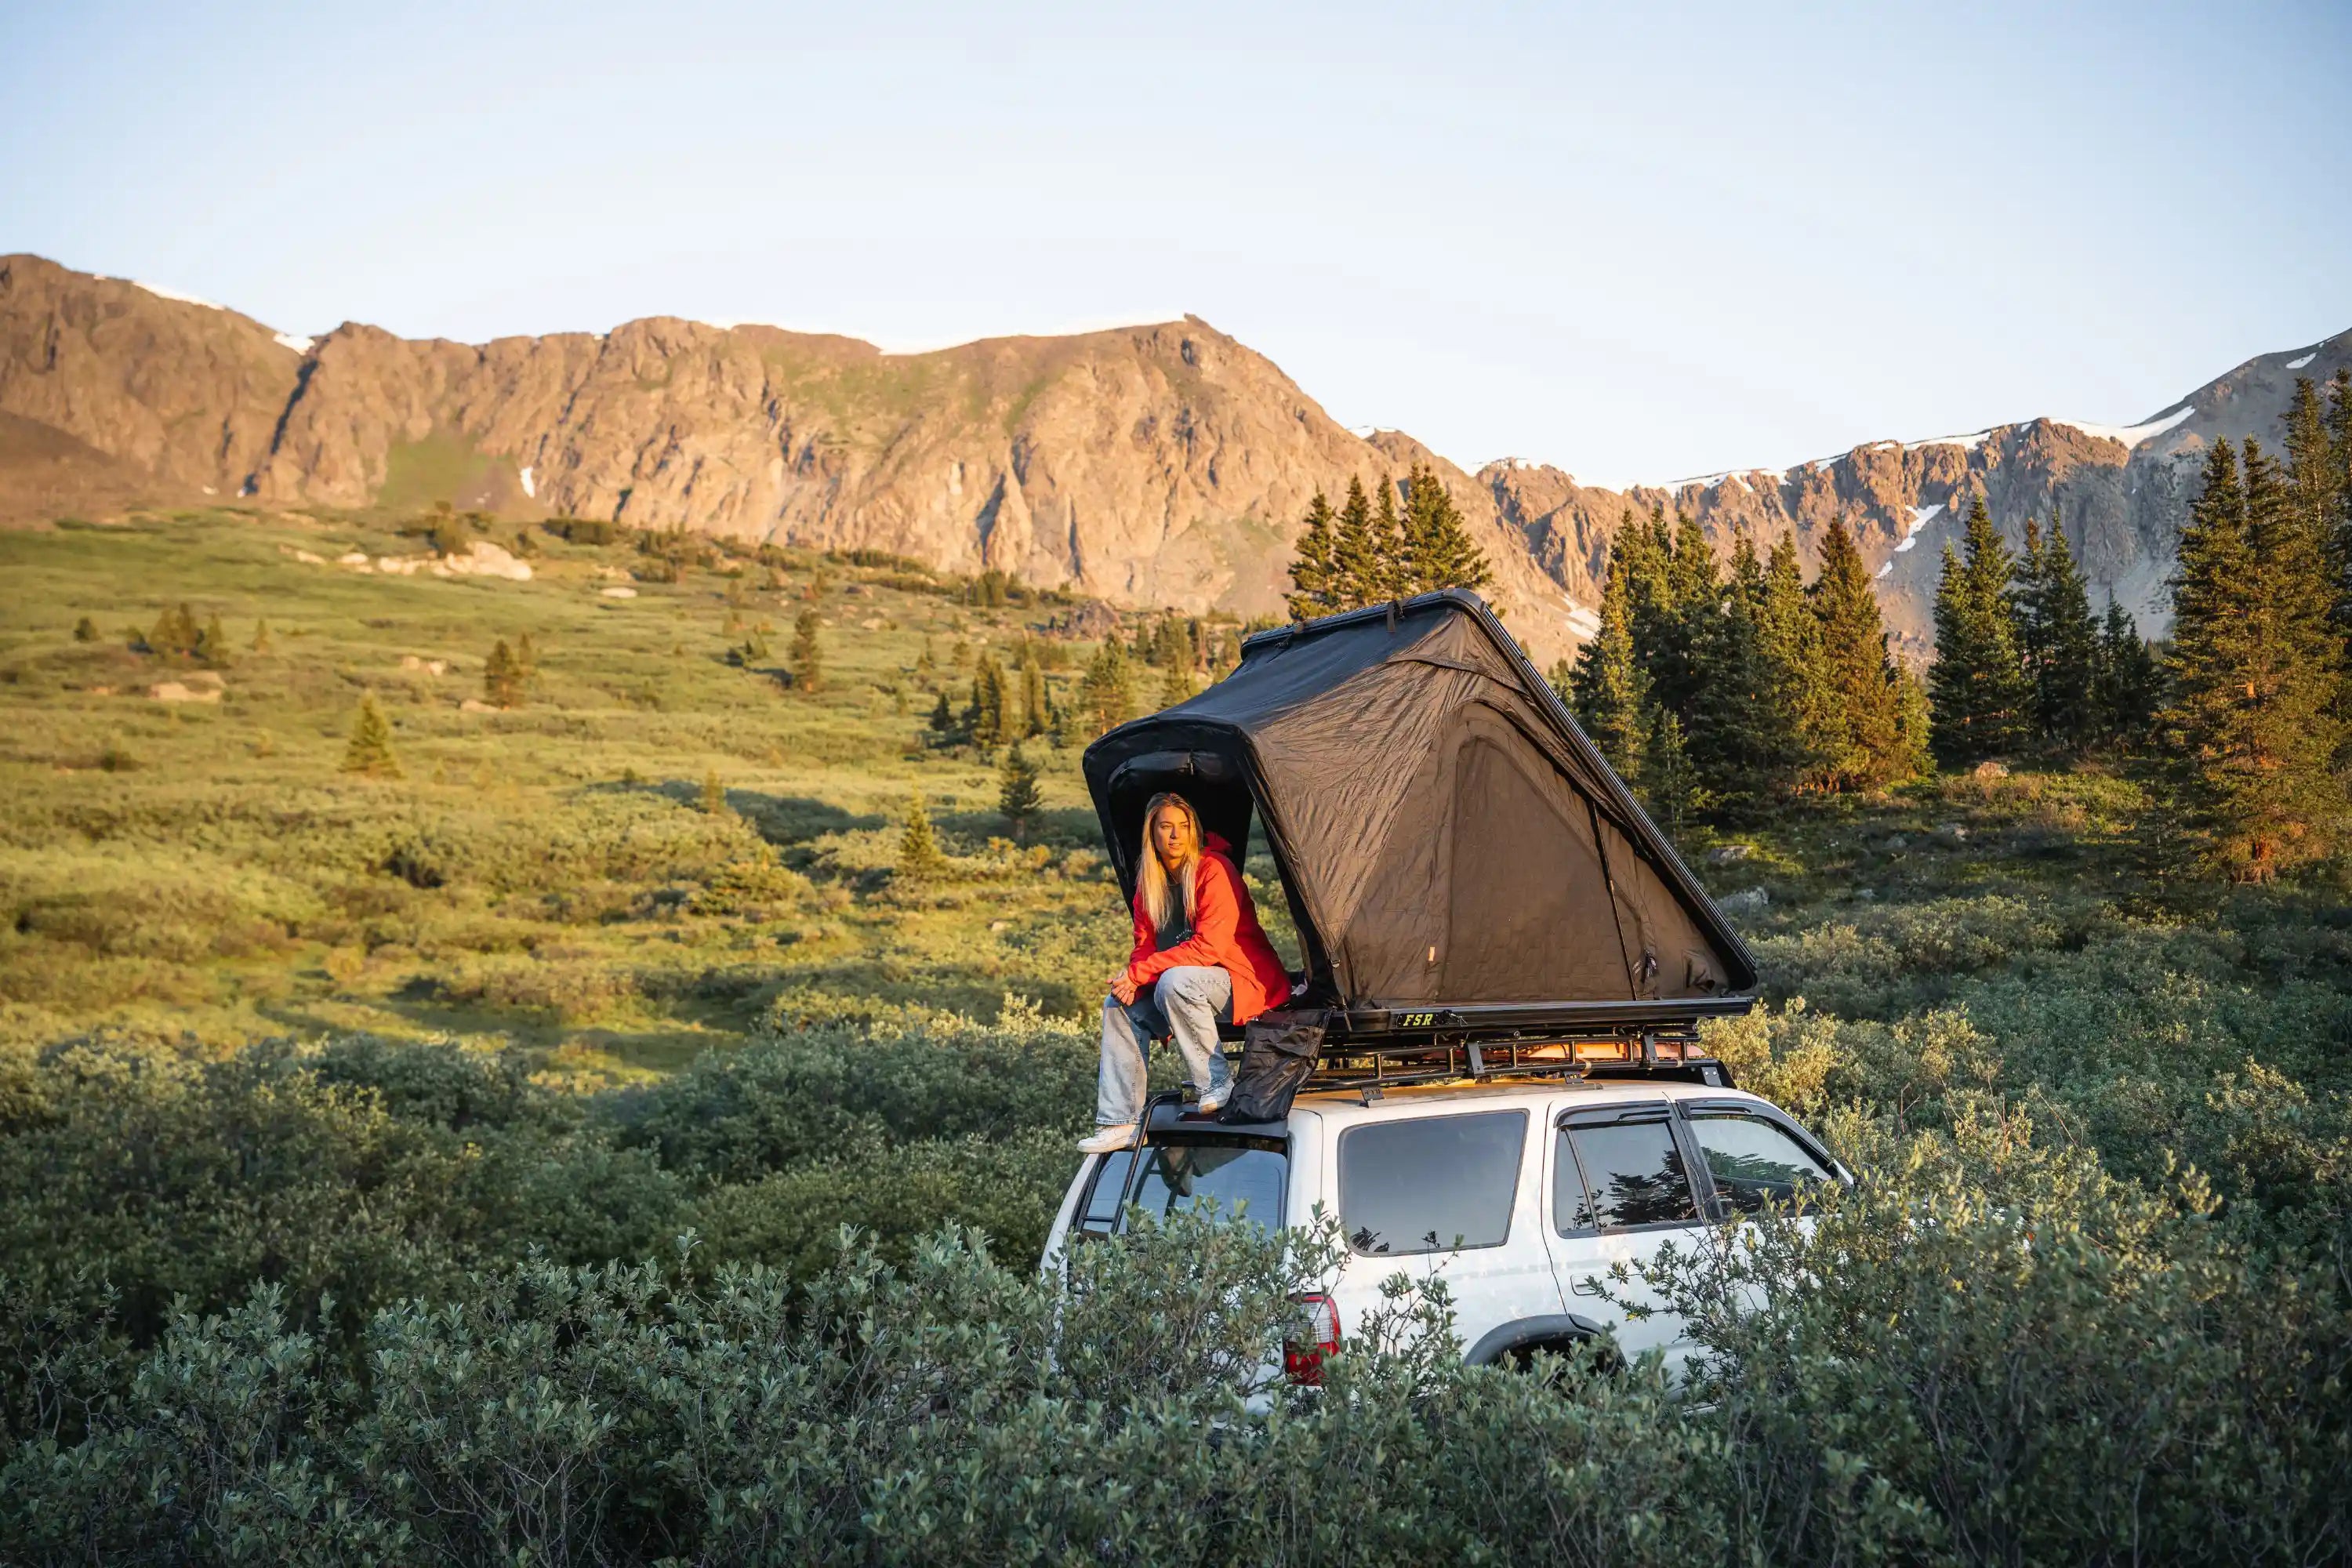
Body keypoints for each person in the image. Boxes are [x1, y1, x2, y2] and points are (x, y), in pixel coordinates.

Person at [1079, 792, 1294, 1152]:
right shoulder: (1150, 883)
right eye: (1166, 827)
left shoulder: (1214, 870)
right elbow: (1145, 945)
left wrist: (1142, 973)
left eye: (1184, 826)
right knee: (1118, 1004)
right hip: (1182, 989)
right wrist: (1132, 979)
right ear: (1153, 834)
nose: (1176, 835)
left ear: (1194, 831)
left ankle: (1216, 1081)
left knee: (1174, 981)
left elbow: (1210, 946)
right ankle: (1121, 1122)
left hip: (1242, 982)